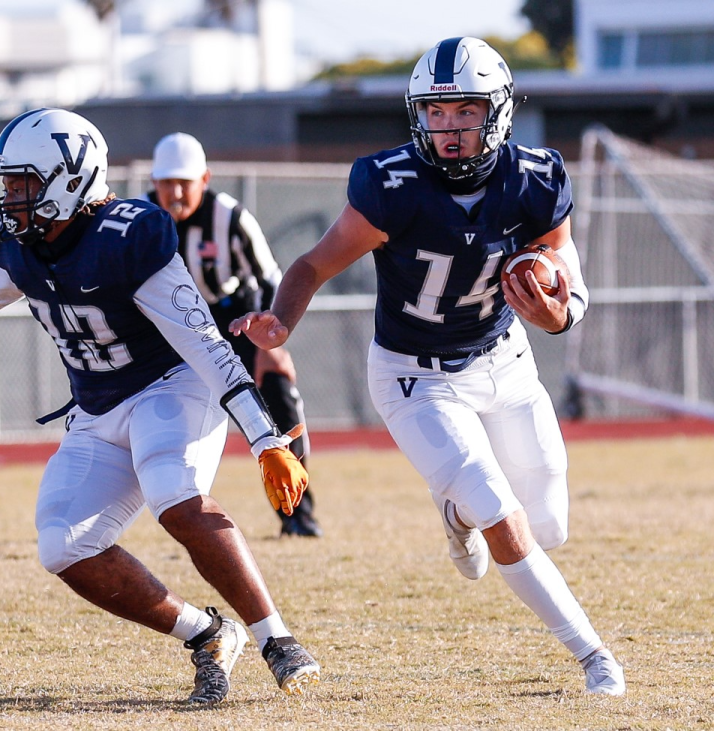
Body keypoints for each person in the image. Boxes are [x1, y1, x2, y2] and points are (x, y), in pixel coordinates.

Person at [0, 108, 320, 704]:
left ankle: (279, 640)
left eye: (23, 184)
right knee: (63, 545)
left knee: (176, 496)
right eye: (6, 183)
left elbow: (206, 346)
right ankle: (207, 633)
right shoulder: (25, 240)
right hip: (96, 407)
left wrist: (267, 440)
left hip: (171, 388)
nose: (9, 197)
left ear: (69, 181)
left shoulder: (130, 238)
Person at [230, 37, 626, 696]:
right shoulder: (392, 186)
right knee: (501, 510)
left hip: (505, 360)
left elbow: (568, 284)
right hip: (417, 374)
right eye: (435, 112)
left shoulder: (533, 176)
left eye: (464, 110)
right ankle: (593, 655)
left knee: (549, 521)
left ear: (496, 110)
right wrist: (281, 320)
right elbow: (311, 264)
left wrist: (555, 311)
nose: (448, 127)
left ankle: (456, 514)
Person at [148, 132, 322, 538]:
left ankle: (298, 515)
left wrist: (270, 341)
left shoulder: (230, 217)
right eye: (165, 182)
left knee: (279, 391)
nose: (173, 192)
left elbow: (270, 280)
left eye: (183, 182)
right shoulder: (142, 220)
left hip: (234, 323)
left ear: (204, 180)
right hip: (170, 331)